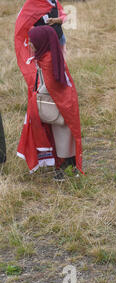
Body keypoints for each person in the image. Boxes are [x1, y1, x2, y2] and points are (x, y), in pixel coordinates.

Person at [16, 26, 83, 180]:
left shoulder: (49, 60)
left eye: (33, 42)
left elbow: (52, 84)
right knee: (59, 134)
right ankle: (63, 165)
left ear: (42, 42)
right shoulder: (45, 57)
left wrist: (37, 94)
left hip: (62, 104)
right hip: (57, 103)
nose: (30, 45)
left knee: (64, 135)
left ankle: (68, 168)